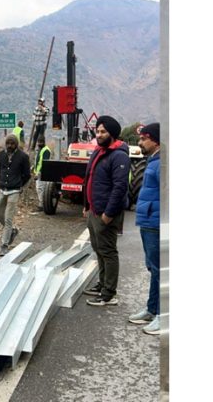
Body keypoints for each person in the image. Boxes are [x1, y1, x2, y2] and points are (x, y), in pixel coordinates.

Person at [81, 115, 130, 306]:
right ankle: (102, 283)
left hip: (106, 214)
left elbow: (120, 188)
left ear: (112, 134)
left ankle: (109, 293)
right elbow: (89, 178)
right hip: (94, 210)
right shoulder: (99, 151)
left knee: (108, 251)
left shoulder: (119, 155)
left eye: (103, 132)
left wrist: (108, 214)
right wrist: (86, 205)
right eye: (98, 131)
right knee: (98, 249)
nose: (98, 134)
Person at [128, 123, 161, 335]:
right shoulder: (153, 161)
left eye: (143, 139)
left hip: (156, 223)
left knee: (161, 270)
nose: (140, 143)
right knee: (153, 268)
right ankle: (152, 309)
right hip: (148, 221)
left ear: (156, 140)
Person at [0, 134, 31, 256]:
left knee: (8, 218)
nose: (10, 145)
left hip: (14, 191)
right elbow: (0, 170)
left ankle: (4, 245)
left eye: (12, 143)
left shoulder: (23, 157)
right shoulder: (1, 155)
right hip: (1, 189)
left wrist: (20, 186)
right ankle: (13, 231)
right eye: (8, 143)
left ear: (16, 144)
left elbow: (27, 175)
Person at [33, 136, 52, 212]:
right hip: (38, 172)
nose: (39, 143)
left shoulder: (46, 150)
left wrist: (39, 173)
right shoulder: (40, 150)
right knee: (39, 188)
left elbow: (44, 163)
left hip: (42, 173)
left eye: (41, 142)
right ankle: (42, 204)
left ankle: (42, 205)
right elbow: (37, 161)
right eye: (38, 142)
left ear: (44, 142)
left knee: (40, 188)